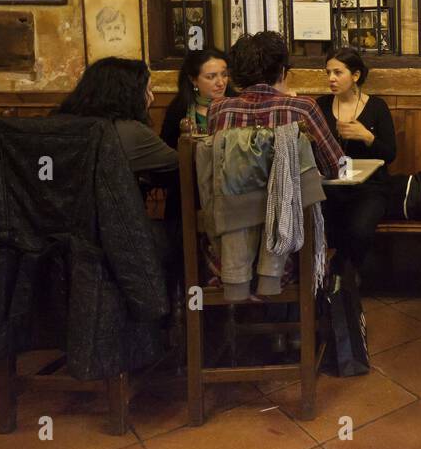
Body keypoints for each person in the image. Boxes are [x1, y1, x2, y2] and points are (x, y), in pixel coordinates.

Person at [207, 32, 341, 179]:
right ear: (282, 71)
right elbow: (337, 167)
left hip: (233, 201)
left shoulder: (218, 108)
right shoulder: (302, 107)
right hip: (290, 201)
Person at [315, 49, 396, 271]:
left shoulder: (376, 107)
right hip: (332, 186)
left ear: (356, 76)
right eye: (328, 72)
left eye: (338, 72)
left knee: (359, 229)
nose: (331, 78)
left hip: (371, 187)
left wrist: (367, 137)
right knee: (324, 225)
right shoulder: (321, 105)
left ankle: (345, 274)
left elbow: (390, 154)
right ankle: (336, 278)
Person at [56, 58, 177, 183]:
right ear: (128, 94)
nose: (152, 97)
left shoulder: (60, 123)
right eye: (148, 90)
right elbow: (182, 166)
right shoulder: (130, 131)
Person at [160, 48, 233, 148]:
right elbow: (168, 150)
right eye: (211, 77)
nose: (221, 83)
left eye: (224, 75)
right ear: (193, 80)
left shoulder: (237, 103)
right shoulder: (179, 109)